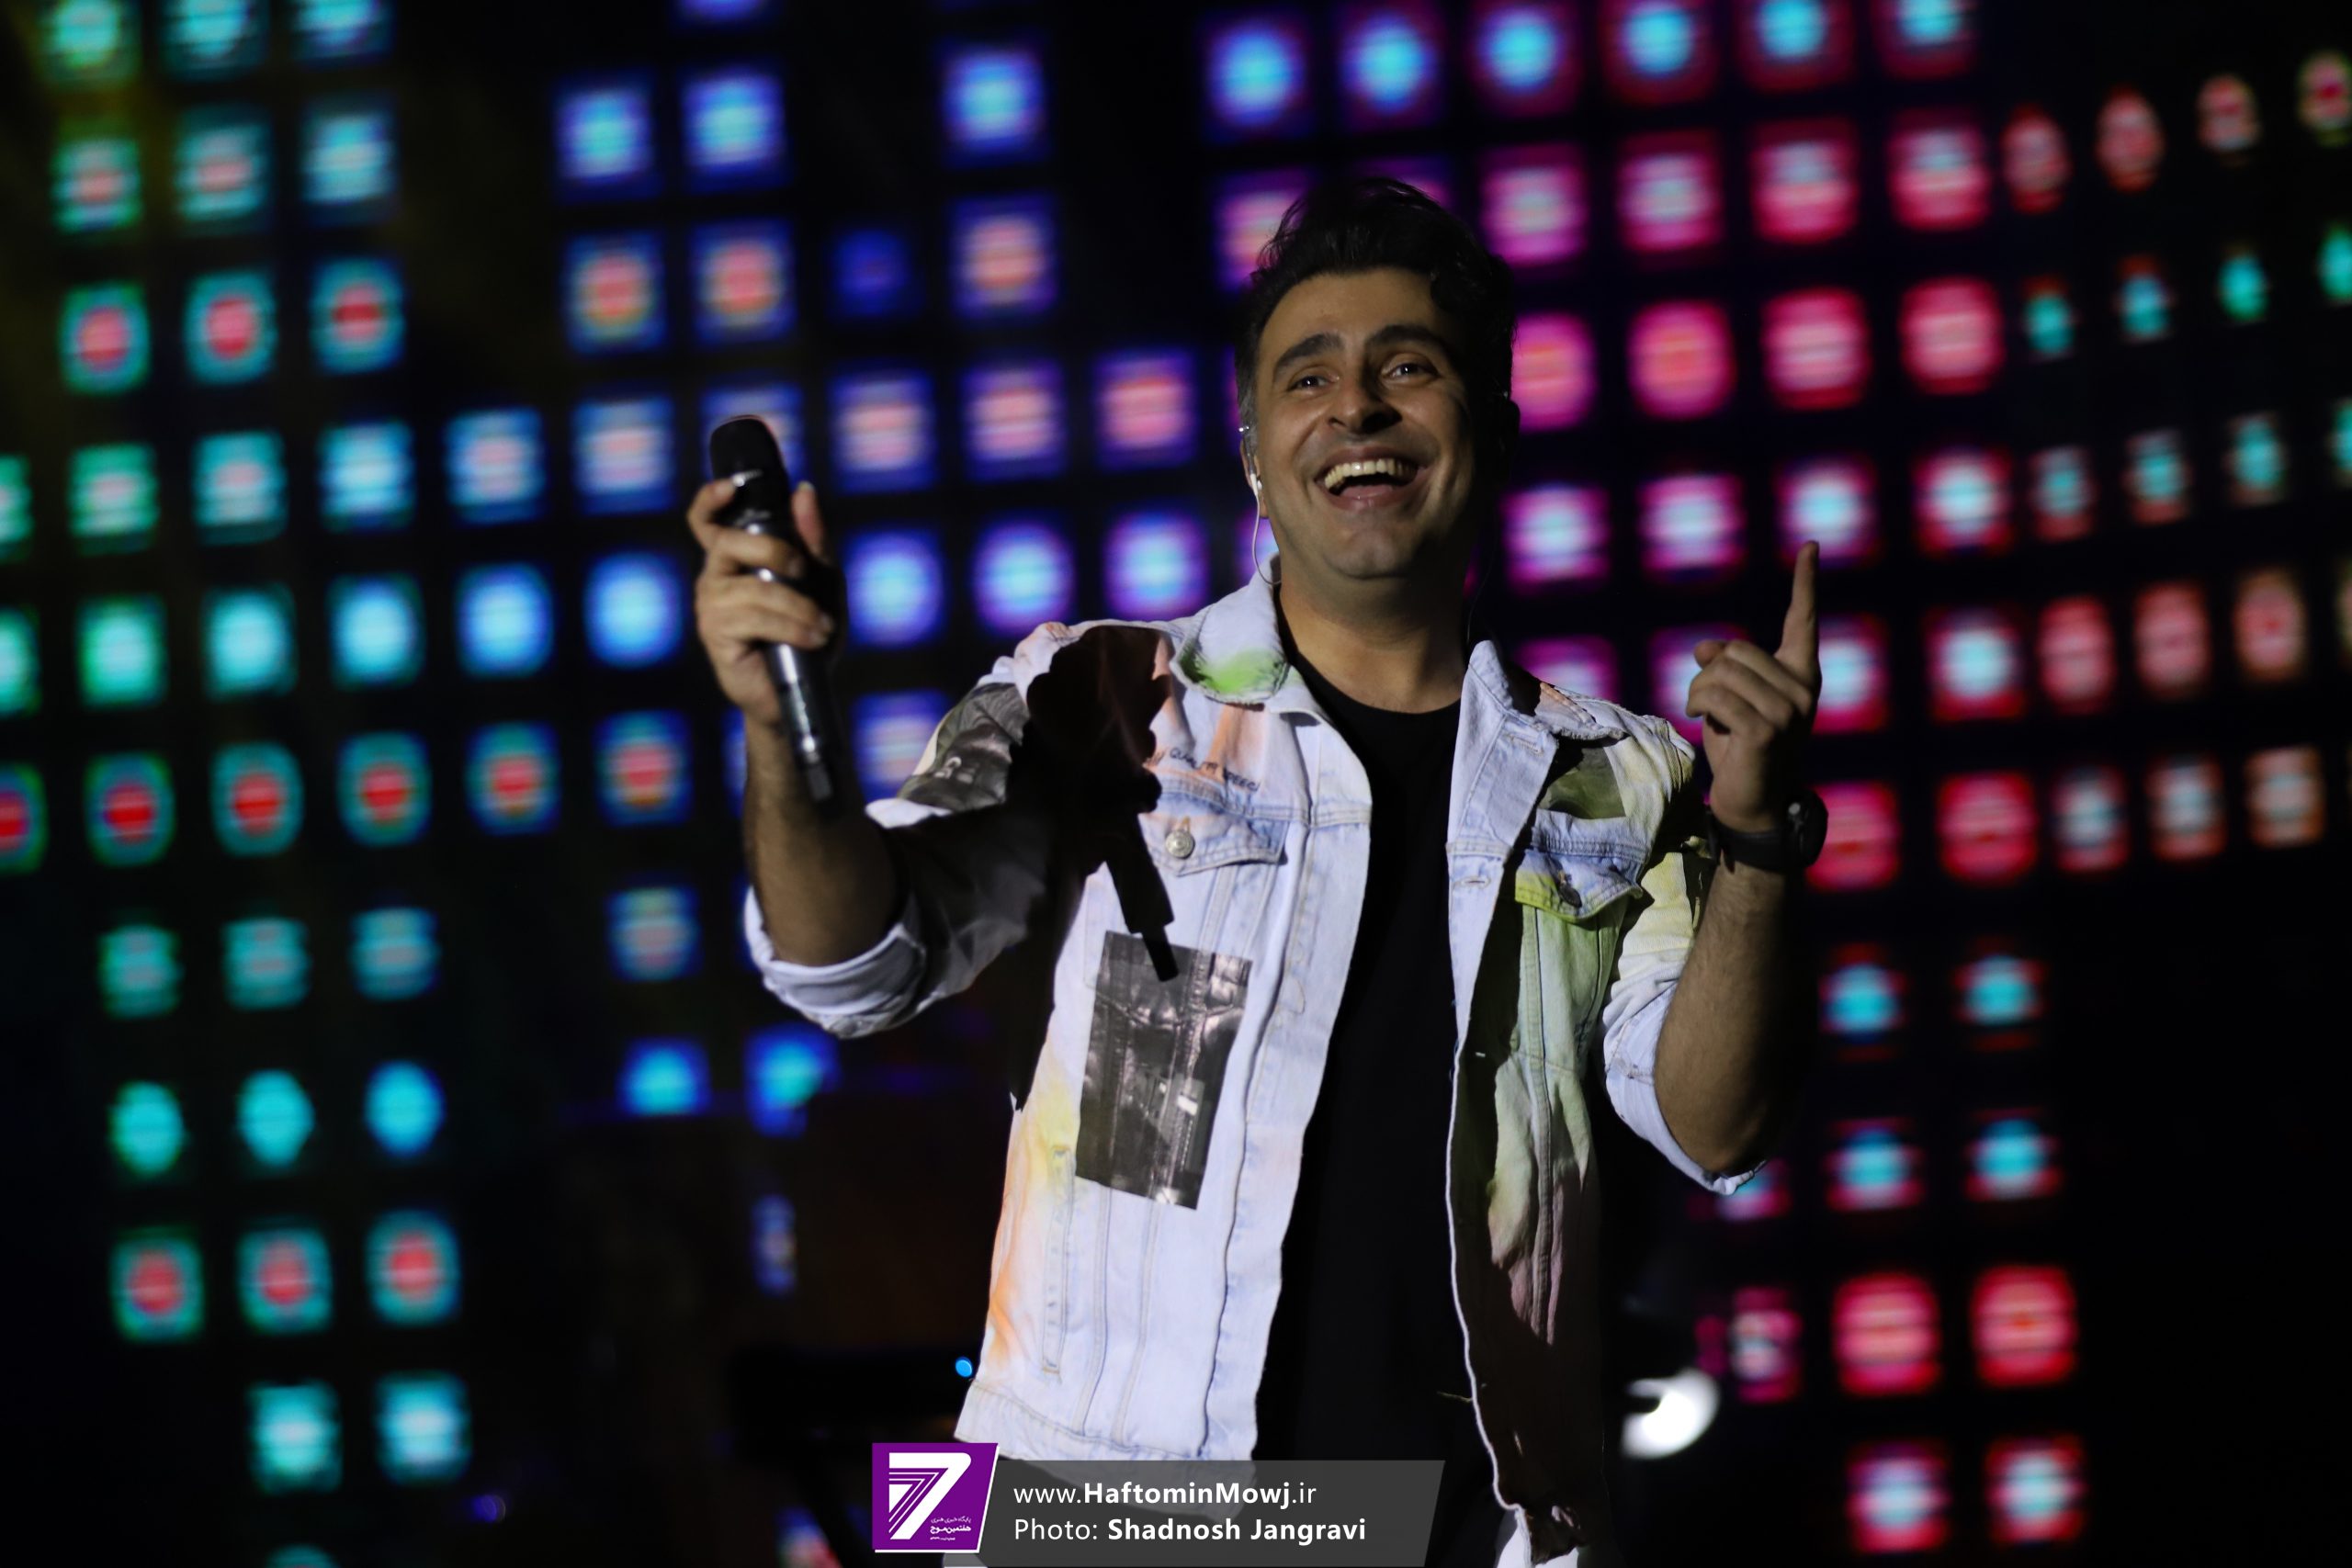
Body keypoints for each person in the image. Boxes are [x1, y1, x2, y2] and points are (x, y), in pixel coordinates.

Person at [684, 177, 1825, 1568]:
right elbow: (848, 966)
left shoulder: (1619, 778)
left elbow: (1720, 1127)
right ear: (1253, 455)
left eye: (1408, 368)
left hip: (1456, 1538)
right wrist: (778, 729)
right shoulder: (1099, 702)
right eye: (1309, 377)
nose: (1357, 409)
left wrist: (1757, 838)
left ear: (1496, 432)